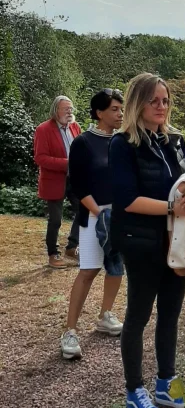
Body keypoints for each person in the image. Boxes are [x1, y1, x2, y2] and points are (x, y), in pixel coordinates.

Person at [109, 73, 185, 408]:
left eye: (165, 100)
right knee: (138, 316)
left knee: (170, 313)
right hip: (140, 242)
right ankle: (134, 391)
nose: (161, 106)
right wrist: (172, 208)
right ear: (137, 102)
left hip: (176, 240)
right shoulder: (122, 144)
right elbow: (125, 200)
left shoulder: (176, 140)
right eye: (154, 100)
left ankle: (166, 383)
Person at [60, 89, 126, 360]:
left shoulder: (124, 141)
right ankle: (70, 330)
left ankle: (104, 315)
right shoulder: (84, 142)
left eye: (121, 109)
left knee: (116, 269)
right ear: (99, 112)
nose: (120, 114)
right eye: (114, 109)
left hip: (120, 216)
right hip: (93, 217)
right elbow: (76, 184)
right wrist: (98, 211)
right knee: (88, 271)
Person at [33, 95, 82, 269]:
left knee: (83, 210)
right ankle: (53, 254)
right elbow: (40, 158)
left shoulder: (75, 127)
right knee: (55, 219)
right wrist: (66, 163)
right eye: (65, 109)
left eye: (71, 108)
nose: (70, 111)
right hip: (54, 180)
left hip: (74, 179)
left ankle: (72, 247)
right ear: (56, 110)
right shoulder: (43, 129)